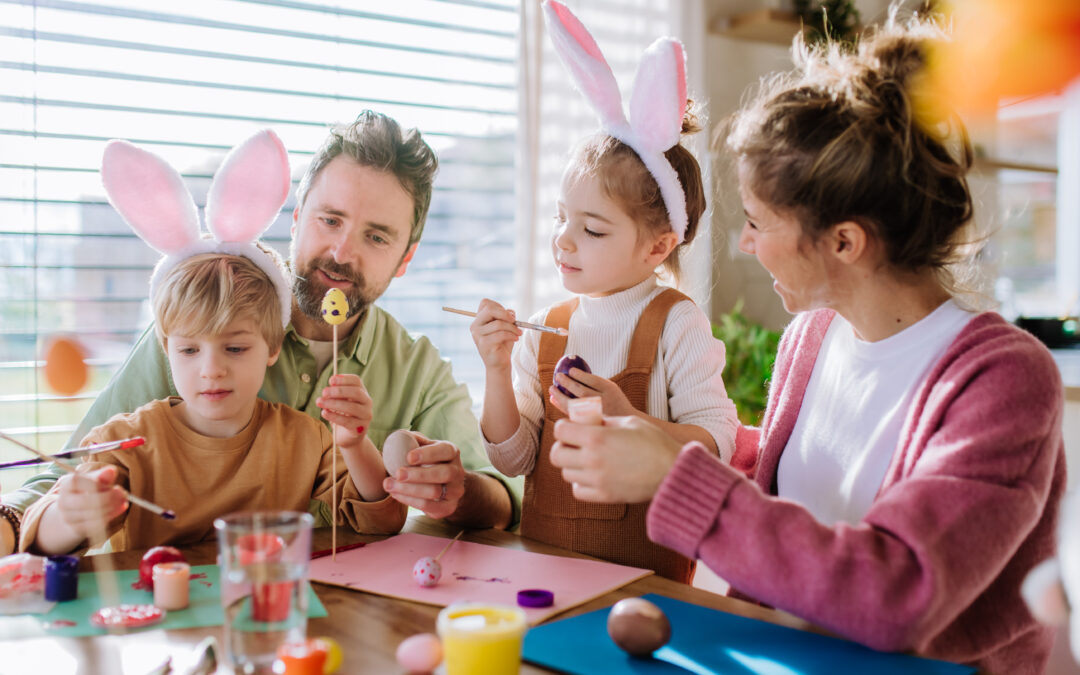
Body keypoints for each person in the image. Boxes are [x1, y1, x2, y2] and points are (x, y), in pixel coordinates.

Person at [549, 16, 1066, 674]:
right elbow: (800, 488)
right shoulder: (811, 336)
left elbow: (895, 592)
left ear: (844, 243)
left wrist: (672, 476)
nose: (746, 243)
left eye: (759, 222)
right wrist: (656, 431)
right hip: (769, 653)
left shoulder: (1004, 380)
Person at [1, 111, 521, 552]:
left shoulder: (416, 368)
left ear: (405, 259)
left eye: (377, 236)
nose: (342, 253)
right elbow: (66, 475)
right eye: (330, 220)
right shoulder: (202, 323)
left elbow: (499, 499)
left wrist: (459, 490)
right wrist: (15, 526)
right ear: (296, 219)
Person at [20, 130, 396, 554]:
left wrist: (353, 444)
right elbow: (44, 537)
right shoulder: (127, 444)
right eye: (189, 350)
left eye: (235, 348)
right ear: (166, 350)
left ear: (273, 347)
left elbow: (378, 519)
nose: (211, 369)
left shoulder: (305, 440)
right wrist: (69, 518)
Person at [469, 1, 737, 583]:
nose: (563, 241)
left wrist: (628, 417)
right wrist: (495, 369)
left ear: (657, 247)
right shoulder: (545, 327)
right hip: (544, 578)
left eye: (591, 229)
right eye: (561, 218)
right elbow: (512, 459)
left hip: (648, 589)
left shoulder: (675, 322)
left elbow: (717, 445)